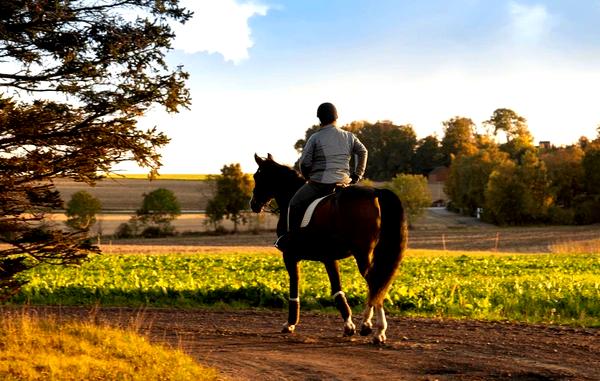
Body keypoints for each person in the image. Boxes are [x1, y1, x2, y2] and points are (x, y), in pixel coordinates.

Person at [275, 102, 368, 251]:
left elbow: (304, 162)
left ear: (319, 119)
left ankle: (290, 240)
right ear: (336, 117)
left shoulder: (315, 138)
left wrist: (307, 177)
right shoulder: (349, 136)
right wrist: (357, 175)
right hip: (344, 183)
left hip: (320, 184)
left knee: (293, 204)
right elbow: (363, 152)